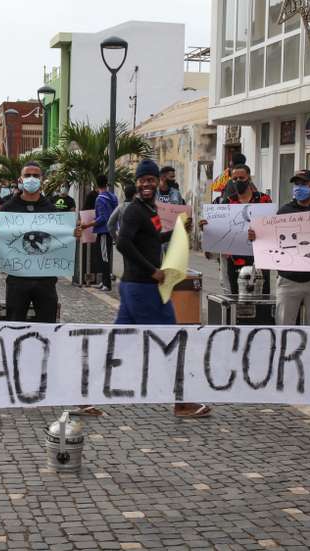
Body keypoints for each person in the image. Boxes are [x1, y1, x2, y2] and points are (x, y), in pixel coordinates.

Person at [115, 159, 209, 418]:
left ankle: (82, 394)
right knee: (170, 340)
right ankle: (182, 402)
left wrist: (177, 231)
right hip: (144, 288)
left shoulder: (149, 210)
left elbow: (151, 239)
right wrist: (152, 270)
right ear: (137, 183)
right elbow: (123, 243)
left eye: (151, 179)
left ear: (158, 182)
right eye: (142, 180)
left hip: (135, 288)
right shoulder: (135, 210)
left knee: (116, 344)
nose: (147, 184)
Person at [0, 162, 78, 322]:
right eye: (27, 175)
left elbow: (62, 237)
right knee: (14, 326)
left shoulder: (52, 210)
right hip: (17, 281)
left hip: (46, 282)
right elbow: (0, 238)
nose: (31, 179)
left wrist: (74, 233)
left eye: (35, 175)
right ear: (20, 179)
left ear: (42, 180)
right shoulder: (7, 209)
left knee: (47, 328)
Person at [247, 169, 310, 326]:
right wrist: (256, 237)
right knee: (284, 325)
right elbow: (272, 239)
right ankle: (285, 351)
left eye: (303, 183)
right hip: (288, 279)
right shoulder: (284, 211)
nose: (299, 187)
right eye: (296, 184)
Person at [208, 165, 272, 294]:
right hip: (235, 259)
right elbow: (221, 229)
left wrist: (259, 233)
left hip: (260, 258)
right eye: (235, 178)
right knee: (236, 295)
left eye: (241, 178)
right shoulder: (227, 202)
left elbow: (272, 227)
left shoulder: (264, 200)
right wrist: (207, 226)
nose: (238, 181)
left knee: (261, 295)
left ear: (249, 178)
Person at [86, 177, 118, 291]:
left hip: (103, 230)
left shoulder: (100, 199)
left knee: (104, 257)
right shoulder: (113, 196)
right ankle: (103, 281)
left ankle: (106, 284)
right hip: (110, 230)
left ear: (96, 185)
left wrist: (89, 224)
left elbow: (103, 218)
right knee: (103, 256)